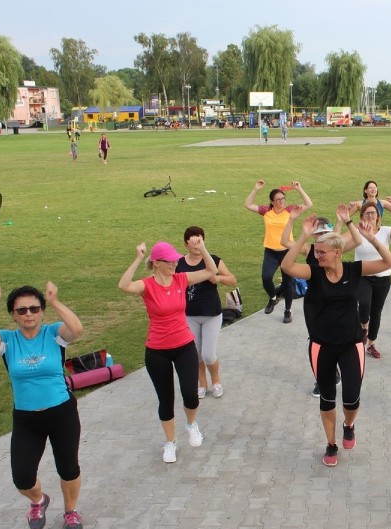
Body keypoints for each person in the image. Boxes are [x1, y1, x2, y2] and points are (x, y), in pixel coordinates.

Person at [281, 209, 391, 467]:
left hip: (351, 344)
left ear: (337, 252)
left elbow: (390, 262)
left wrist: (374, 239)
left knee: (352, 398)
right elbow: (287, 266)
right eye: (316, 251)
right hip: (321, 346)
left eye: (322, 252)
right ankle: (331, 444)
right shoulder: (314, 273)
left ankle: (349, 424)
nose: (317, 255)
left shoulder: (354, 270)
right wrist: (303, 236)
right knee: (327, 398)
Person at [0, 282, 86, 529]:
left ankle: (70, 511)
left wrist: (55, 302)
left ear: (42, 311)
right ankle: (38, 501)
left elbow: (76, 329)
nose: (28, 314)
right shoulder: (7, 341)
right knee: (22, 477)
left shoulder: (53, 334)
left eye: (34, 308)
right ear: (13, 314)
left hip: (61, 413)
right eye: (21, 310)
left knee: (68, 468)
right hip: (26, 419)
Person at [118, 239, 219, 463]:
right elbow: (124, 286)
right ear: (156, 263)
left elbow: (212, 270)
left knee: (190, 393)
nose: (175, 264)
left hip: (184, 346)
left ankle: (192, 424)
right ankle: (170, 442)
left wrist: (202, 248)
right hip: (157, 351)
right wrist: (138, 258)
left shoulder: (181, 279)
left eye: (175, 260)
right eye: (170, 261)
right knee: (166, 399)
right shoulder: (147, 285)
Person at [282, 208, 361, 397]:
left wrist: (345, 222)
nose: (321, 237)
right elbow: (284, 242)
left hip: (336, 300)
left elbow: (357, 240)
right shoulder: (310, 249)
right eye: (318, 234)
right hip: (314, 303)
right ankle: (324, 378)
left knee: (338, 336)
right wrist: (293, 221)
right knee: (316, 340)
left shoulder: (336, 246)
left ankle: (341, 367)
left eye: (325, 233)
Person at [343, 197, 391, 359]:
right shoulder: (357, 230)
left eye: (373, 213)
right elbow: (339, 243)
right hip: (363, 276)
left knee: (377, 312)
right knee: (364, 303)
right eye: (367, 213)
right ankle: (363, 326)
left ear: (378, 216)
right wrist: (344, 222)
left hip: (383, 279)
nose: (371, 216)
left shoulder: (386, 231)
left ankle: (371, 344)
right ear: (362, 216)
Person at [176, 226, 238, 399]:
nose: (197, 245)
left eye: (200, 241)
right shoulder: (179, 263)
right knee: (195, 354)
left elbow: (232, 279)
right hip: (189, 316)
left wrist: (217, 278)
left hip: (211, 314)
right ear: (186, 243)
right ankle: (202, 384)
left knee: (208, 354)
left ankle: (216, 380)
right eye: (193, 242)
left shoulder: (213, 260)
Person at [244, 180, 313, 323]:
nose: (281, 201)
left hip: (288, 252)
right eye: (278, 199)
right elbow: (248, 204)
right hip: (271, 251)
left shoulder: (290, 210)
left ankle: (287, 311)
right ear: (272, 201)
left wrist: (299, 188)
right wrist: (256, 189)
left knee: (288, 282)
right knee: (266, 277)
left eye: (283, 198)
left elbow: (308, 204)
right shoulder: (266, 211)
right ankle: (273, 298)